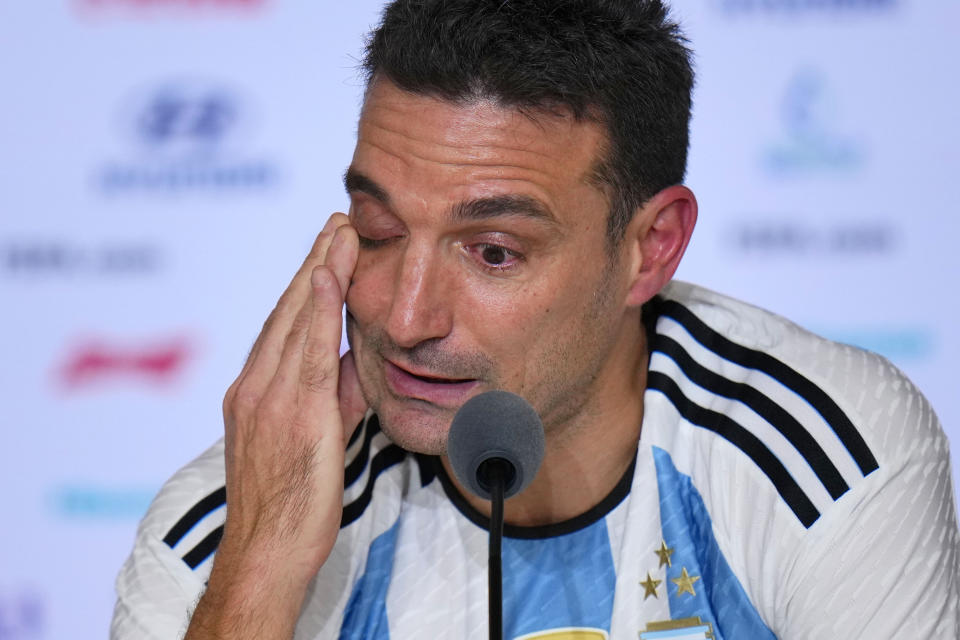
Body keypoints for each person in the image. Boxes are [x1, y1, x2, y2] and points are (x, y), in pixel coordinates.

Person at [111, 0, 960, 638]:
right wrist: (258, 573)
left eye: (493, 253)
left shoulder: (828, 459)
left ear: (651, 249)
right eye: (377, 232)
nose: (404, 319)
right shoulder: (223, 528)